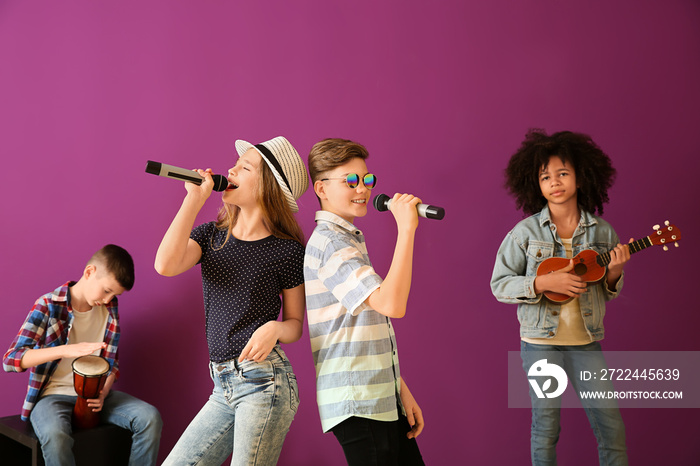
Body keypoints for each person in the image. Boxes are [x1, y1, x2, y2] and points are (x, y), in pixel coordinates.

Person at [155, 136, 308, 466]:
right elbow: (165, 265)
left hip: (265, 383)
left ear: (268, 186)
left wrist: (275, 328)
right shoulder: (211, 235)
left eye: (244, 166)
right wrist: (192, 203)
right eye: (235, 164)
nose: (231, 169)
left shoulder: (288, 251)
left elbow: (295, 325)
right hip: (223, 385)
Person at [490, 129, 632, 465]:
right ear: (535, 184)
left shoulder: (602, 232)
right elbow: (500, 285)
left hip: (586, 341)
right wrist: (542, 282)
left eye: (563, 173)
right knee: (547, 426)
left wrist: (614, 273)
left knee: (611, 426)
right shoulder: (524, 233)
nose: (555, 182)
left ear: (581, 177)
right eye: (545, 177)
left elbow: (607, 291)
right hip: (540, 343)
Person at [304, 138, 425, 465]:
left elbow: (360, 326)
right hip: (359, 400)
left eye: (367, 180)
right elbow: (391, 305)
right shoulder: (330, 243)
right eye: (351, 181)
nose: (363, 189)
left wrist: (397, 387)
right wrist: (406, 230)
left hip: (379, 395)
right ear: (322, 188)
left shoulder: (347, 239)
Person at [3, 244, 163, 466]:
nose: (108, 299)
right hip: (52, 396)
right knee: (56, 436)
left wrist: (104, 391)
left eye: (114, 295)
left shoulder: (109, 310)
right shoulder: (48, 304)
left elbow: (111, 364)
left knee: (149, 417)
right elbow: (11, 359)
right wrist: (64, 350)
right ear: (89, 272)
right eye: (106, 290)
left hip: (95, 395)